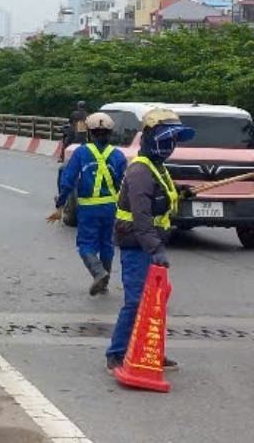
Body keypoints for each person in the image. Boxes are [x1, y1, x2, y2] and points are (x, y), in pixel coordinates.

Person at [105, 107, 196, 375]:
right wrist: (155, 248)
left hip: (151, 243)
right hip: (138, 244)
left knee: (154, 302)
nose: (170, 145)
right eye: (165, 138)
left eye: (173, 140)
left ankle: (148, 349)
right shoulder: (140, 171)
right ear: (148, 137)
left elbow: (161, 201)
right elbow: (142, 216)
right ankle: (117, 353)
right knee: (135, 301)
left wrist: (180, 195)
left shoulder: (158, 168)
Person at [51, 113, 128, 295]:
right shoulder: (118, 156)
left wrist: (60, 203)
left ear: (90, 134)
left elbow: (68, 180)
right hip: (110, 207)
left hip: (88, 208)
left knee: (86, 243)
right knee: (106, 243)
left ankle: (98, 272)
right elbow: (122, 184)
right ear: (110, 134)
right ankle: (105, 281)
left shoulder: (81, 153)